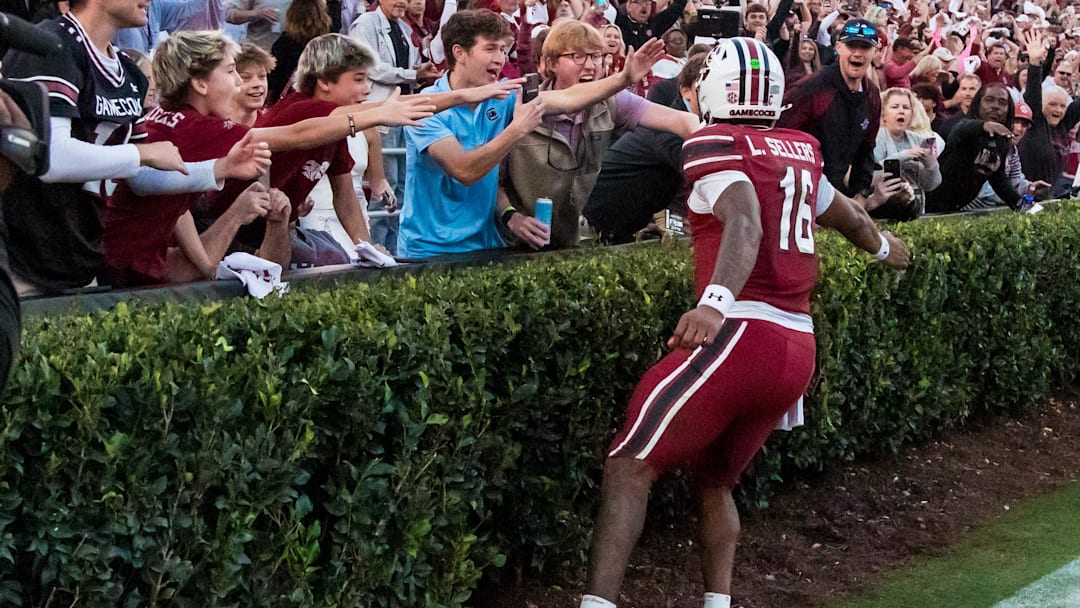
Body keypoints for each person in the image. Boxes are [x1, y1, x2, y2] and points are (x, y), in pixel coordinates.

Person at [579, 37, 910, 608]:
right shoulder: (799, 147)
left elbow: (745, 220)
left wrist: (713, 301)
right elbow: (851, 217)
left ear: (713, 88)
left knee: (630, 464)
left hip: (741, 333)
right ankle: (718, 602)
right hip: (795, 346)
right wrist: (884, 249)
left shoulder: (714, 140)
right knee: (715, 478)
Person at [102, 30, 438, 286]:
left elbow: (169, 199)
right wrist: (382, 112)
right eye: (233, 72)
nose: (239, 83)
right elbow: (296, 135)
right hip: (121, 264)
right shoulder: (200, 127)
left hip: (128, 258)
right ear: (200, 84)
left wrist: (205, 265)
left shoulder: (171, 118)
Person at [0, 0, 233, 296]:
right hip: (22, 261)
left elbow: (140, 178)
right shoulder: (51, 45)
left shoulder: (130, 73)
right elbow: (50, 156)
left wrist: (217, 168)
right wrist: (142, 153)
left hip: (80, 259)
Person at [398, 9, 665, 259]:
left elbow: (568, 97)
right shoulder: (426, 106)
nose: (500, 59)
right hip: (428, 250)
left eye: (503, 49)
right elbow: (465, 170)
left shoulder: (504, 92)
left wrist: (622, 79)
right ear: (459, 53)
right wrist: (517, 129)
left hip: (488, 245)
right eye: (490, 49)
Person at [502, 20, 701, 250]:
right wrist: (511, 217)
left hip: (569, 240)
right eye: (578, 56)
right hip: (508, 244)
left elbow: (683, 120)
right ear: (551, 63)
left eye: (596, 56)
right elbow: (491, 183)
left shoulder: (611, 103)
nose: (590, 65)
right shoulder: (521, 100)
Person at [584, 52, 705, 244]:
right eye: (703, 87)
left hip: (625, 223)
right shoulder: (665, 129)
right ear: (685, 91)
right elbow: (699, 170)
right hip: (594, 223)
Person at [779, 18, 883, 204]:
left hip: (836, 190)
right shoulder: (812, 88)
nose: (858, 53)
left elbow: (866, 149)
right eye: (852, 46)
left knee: (903, 202)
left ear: (875, 52)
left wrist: (861, 192)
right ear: (838, 48)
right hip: (801, 187)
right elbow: (779, 135)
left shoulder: (873, 95)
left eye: (865, 48)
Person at [925, 82, 1021, 213]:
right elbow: (958, 131)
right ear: (978, 104)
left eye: (1002, 102)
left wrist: (1021, 204)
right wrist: (982, 126)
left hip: (954, 209)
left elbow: (998, 178)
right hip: (930, 206)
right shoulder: (964, 126)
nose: (995, 106)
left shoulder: (1001, 139)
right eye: (989, 100)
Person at [1018, 30, 1080, 196]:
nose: (1058, 110)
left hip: (1050, 196)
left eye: (1062, 106)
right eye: (1052, 105)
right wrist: (1034, 63)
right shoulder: (1035, 121)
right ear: (1042, 105)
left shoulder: (1064, 123)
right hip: (1026, 194)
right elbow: (1032, 92)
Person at [872, 87, 942, 220]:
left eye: (906, 107)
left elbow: (931, 185)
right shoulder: (876, 138)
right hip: (886, 211)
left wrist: (931, 165)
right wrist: (905, 155)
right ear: (883, 113)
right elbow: (874, 173)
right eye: (895, 107)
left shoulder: (918, 140)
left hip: (918, 210)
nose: (901, 111)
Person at [967, 100, 1051, 210]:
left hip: (992, 213)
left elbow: (1015, 180)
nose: (1019, 129)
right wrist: (1015, 199)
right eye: (1015, 121)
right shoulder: (988, 145)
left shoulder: (1012, 150)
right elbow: (984, 192)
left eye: (1024, 124)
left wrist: (1030, 188)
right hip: (966, 213)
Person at [267, 0, 333, 103]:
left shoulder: (285, 42)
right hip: (318, 97)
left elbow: (275, 75)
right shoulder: (327, 44)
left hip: (289, 99)